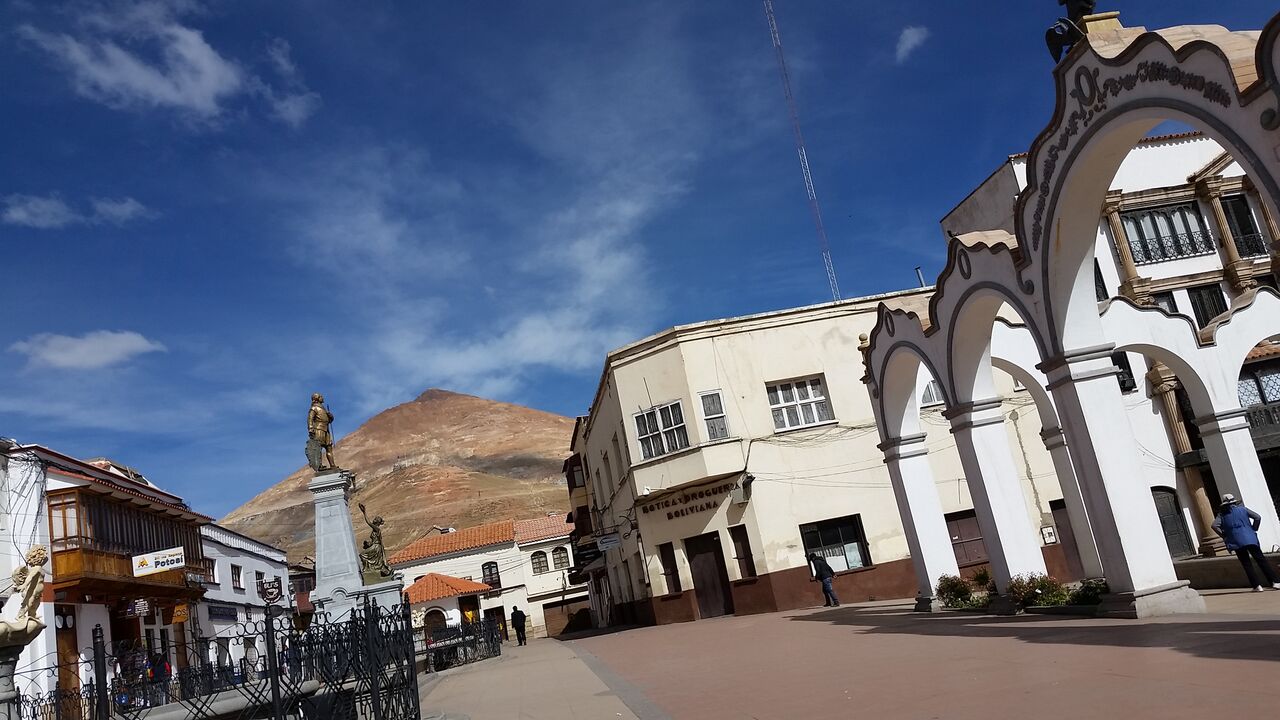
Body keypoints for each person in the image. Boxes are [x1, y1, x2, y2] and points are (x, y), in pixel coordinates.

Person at [1212, 493, 1280, 592]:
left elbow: (1214, 525)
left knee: (1246, 564)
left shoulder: (1222, 515)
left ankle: (1257, 586)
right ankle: (1275, 582)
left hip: (1236, 542)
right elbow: (1257, 517)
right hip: (1251, 538)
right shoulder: (1243, 509)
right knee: (1261, 560)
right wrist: (1254, 528)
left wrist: (1224, 535)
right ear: (1234, 502)